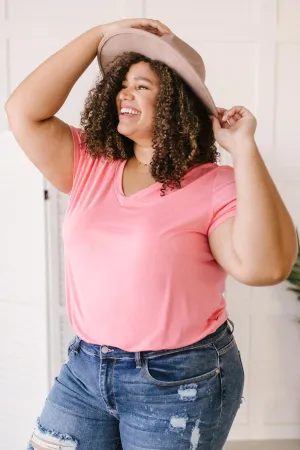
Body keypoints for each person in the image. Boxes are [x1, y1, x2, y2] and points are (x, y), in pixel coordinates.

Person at [5, 18, 298, 450]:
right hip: (86, 369)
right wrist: (98, 35)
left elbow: (264, 267)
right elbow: (21, 111)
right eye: (121, 84)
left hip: (180, 378)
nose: (124, 92)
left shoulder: (213, 184)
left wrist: (245, 149)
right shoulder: (91, 164)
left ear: (177, 101)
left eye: (141, 86)